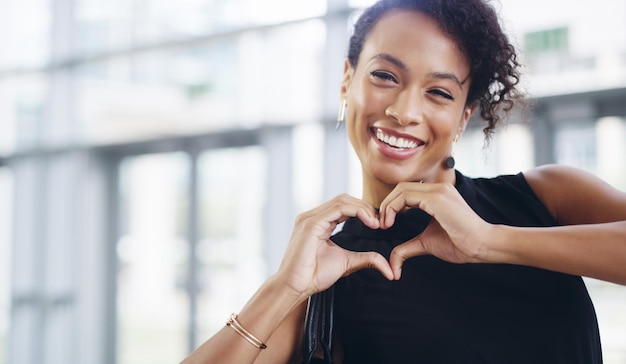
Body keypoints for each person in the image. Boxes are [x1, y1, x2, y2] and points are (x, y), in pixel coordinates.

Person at [182, 0, 626, 362]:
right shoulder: (327, 274)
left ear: (462, 118)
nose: (404, 110)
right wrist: (284, 287)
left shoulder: (548, 197)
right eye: (384, 76)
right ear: (346, 81)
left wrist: (489, 242)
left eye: (439, 92)